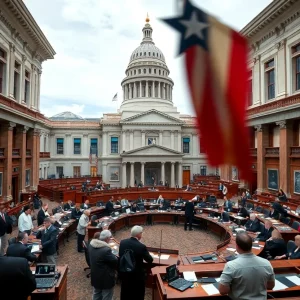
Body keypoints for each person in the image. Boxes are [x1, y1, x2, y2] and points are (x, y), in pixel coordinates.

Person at [218, 232, 275, 299]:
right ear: (251, 245)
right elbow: (270, 286)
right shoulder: (267, 263)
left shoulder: (231, 266)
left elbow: (222, 291)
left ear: (237, 246)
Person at [119, 225, 153, 300]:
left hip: (125, 273)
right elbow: (150, 260)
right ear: (139, 235)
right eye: (141, 233)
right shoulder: (141, 246)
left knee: (125, 293)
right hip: (137, 276)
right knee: (138, 295)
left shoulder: (122, 242)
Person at [89, 230, 118, 300]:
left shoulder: (91, 245)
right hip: (106, 278)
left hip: (95, 275)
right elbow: (115, 261)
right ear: (107, 238)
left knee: (96, 294)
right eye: (110, 238)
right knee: (107, 296)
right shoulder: (106, 250)